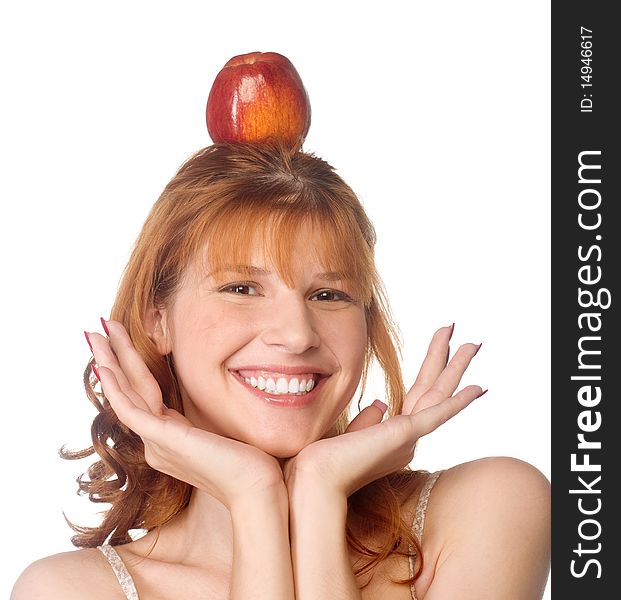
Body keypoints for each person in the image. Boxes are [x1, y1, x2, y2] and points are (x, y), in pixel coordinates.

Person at [11, 142, 551, 599]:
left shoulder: (488, 509)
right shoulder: (69, 591)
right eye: (241, 288)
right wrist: (254, 497)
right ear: (159, 321)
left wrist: (317, 495)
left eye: (330, 293)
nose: (297, 334)